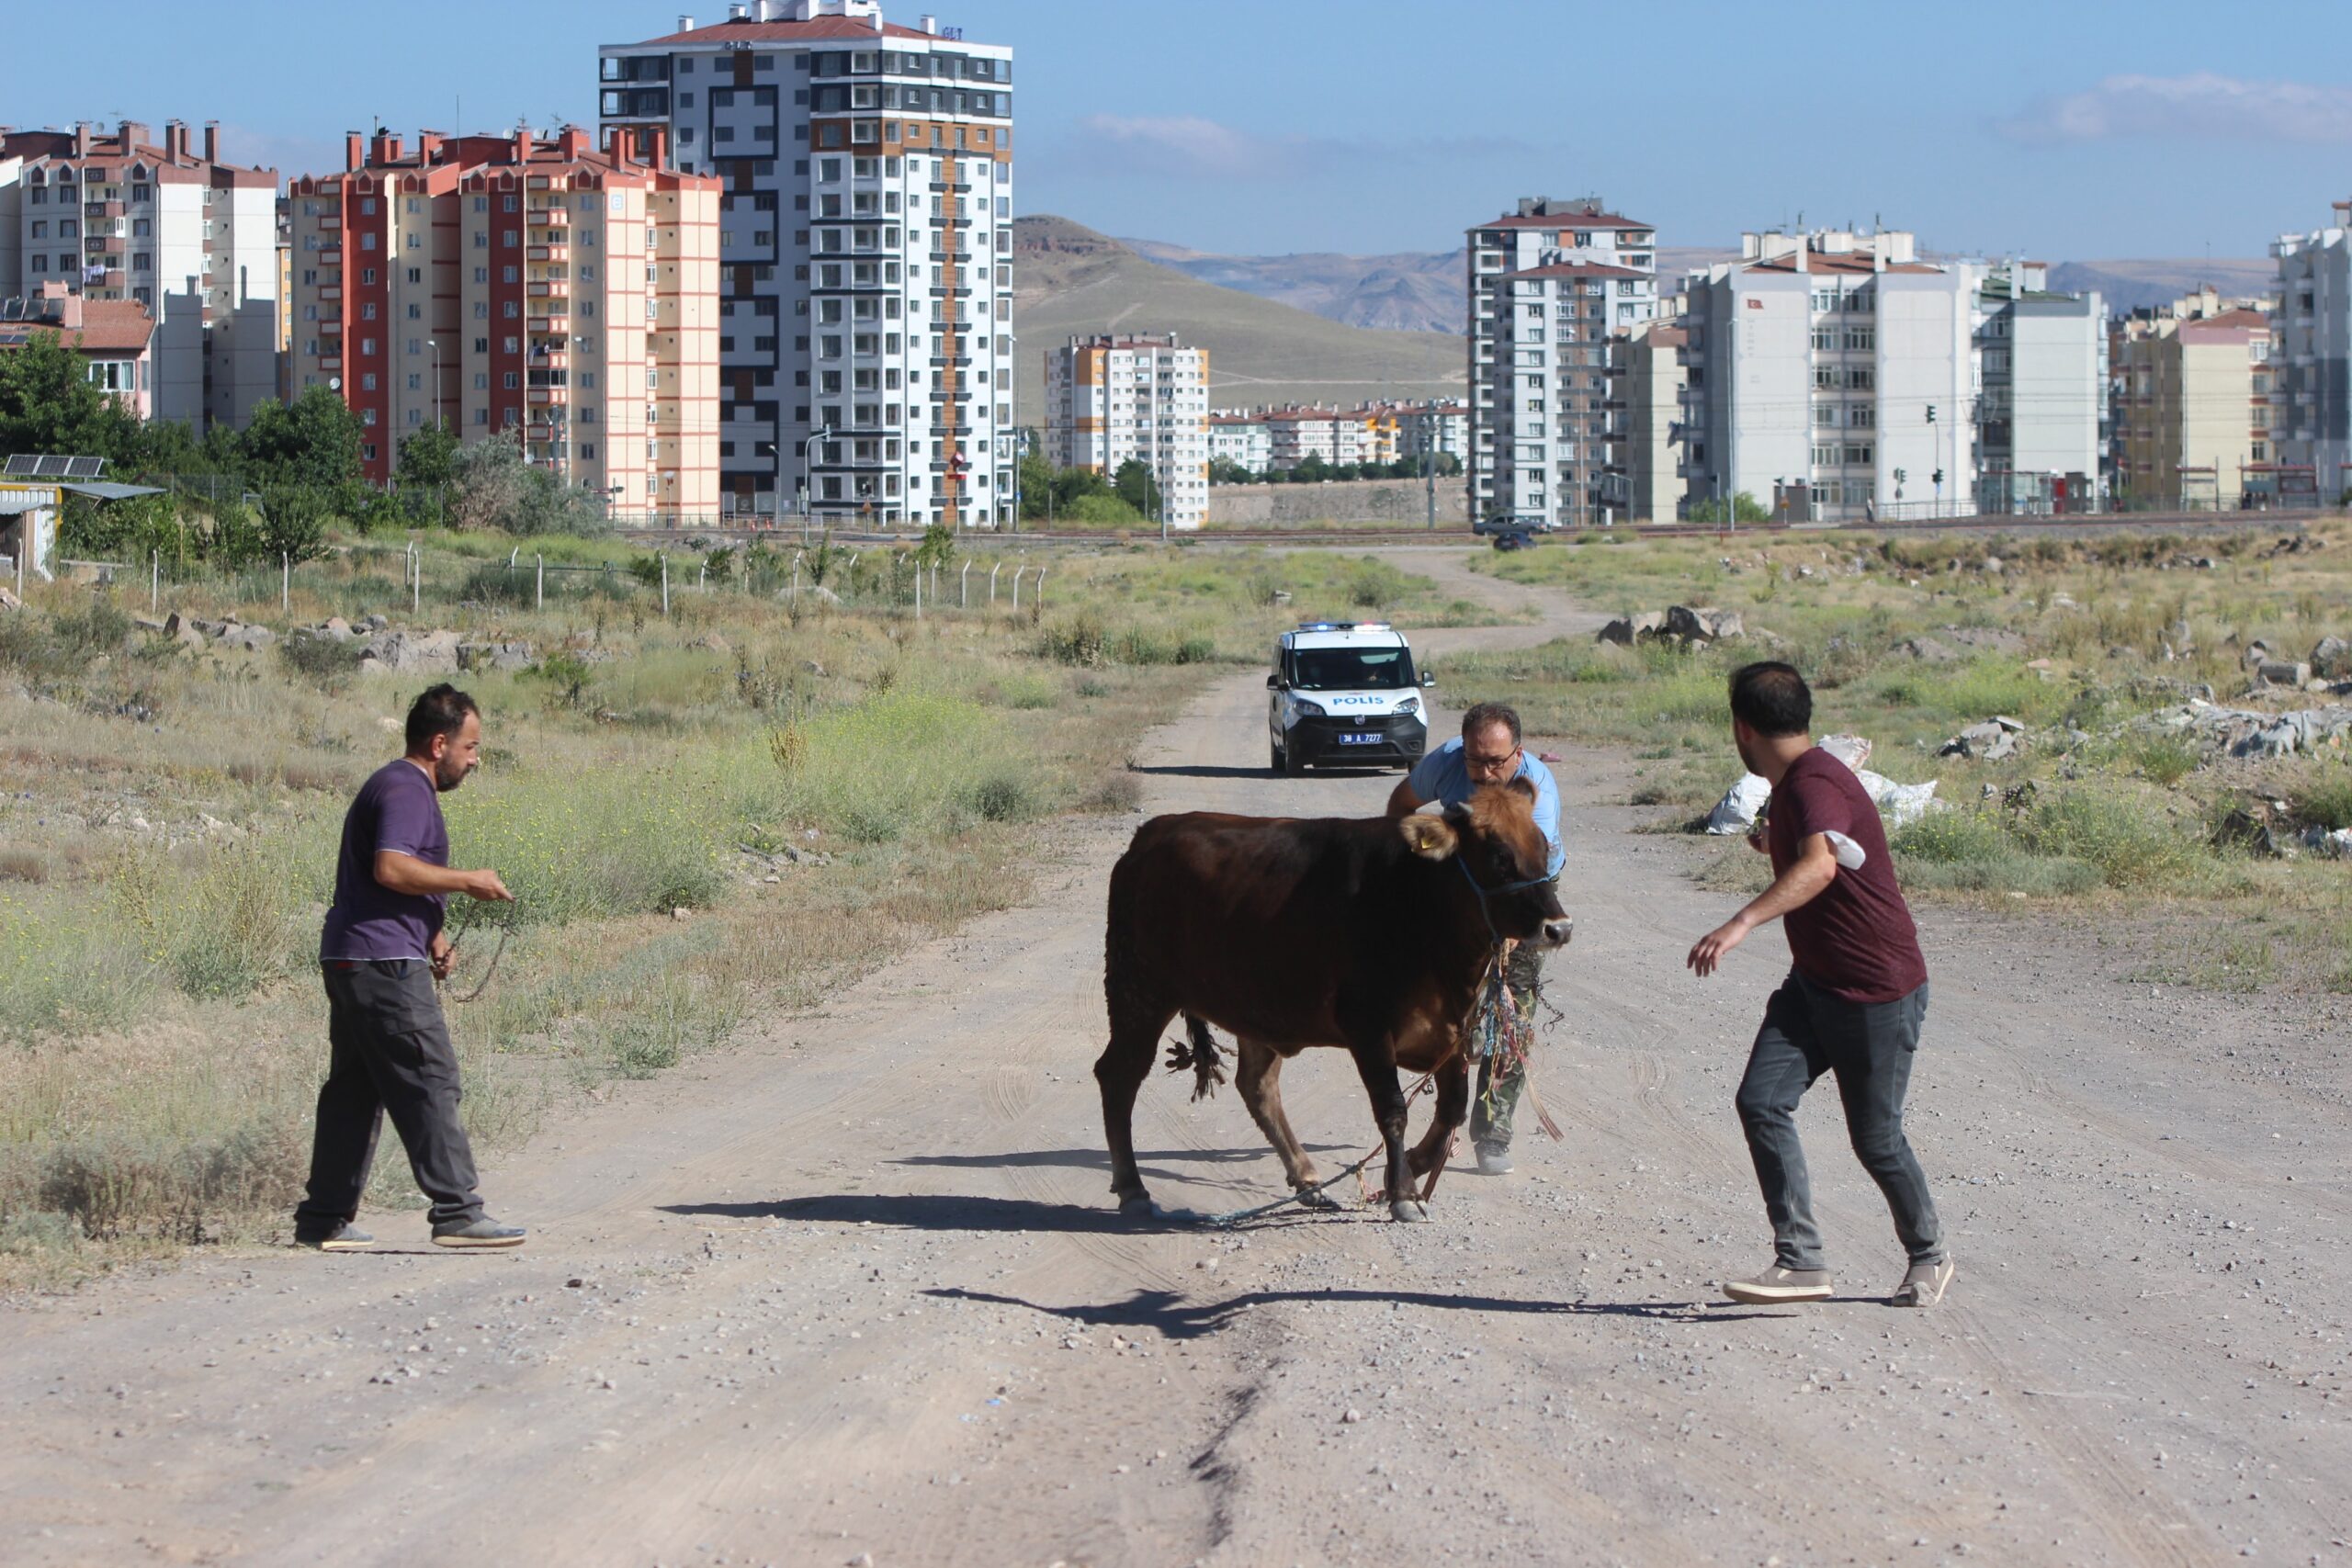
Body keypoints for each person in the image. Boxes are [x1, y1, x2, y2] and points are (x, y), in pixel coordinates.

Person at [1686, 662, 1951, 1307]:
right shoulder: (1798, 785)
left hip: (1876, 990)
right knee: (1761, 1101)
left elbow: (1821, 865)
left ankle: (1929, 1254)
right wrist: (1771, 840)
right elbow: (1818, 842)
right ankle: (1801, 1260)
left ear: (1742, 728)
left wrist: (1740, 921)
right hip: (1815, 984)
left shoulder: (1815, 782)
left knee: (1877, 1139)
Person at [293, 683, 526, 1252]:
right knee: (430, 1075)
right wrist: (468, 881)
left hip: (358, 956)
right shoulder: (405, 788)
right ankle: (457, 1211)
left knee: (355, 1090)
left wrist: (433, 933)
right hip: (382, 963)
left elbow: (389, 884)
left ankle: (324, 1219)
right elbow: (392, 868)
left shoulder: (395, 785)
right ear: (439, 744)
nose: (475, 760)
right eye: (471, 747)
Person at [1386, 701, 1565, 1175]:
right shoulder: (1445, 762)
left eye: (1496, 762)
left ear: (1518, 755)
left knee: (1510, 1009)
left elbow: (1533, 872)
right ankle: (1446, 1123)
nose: (1485, 772)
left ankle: (1493, 1133)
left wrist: (1513, 933)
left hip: (1525, 892)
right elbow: (1401, 805)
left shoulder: (1538, 790)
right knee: (1453, 1010)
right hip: (1464, 888)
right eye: (1475, 760)